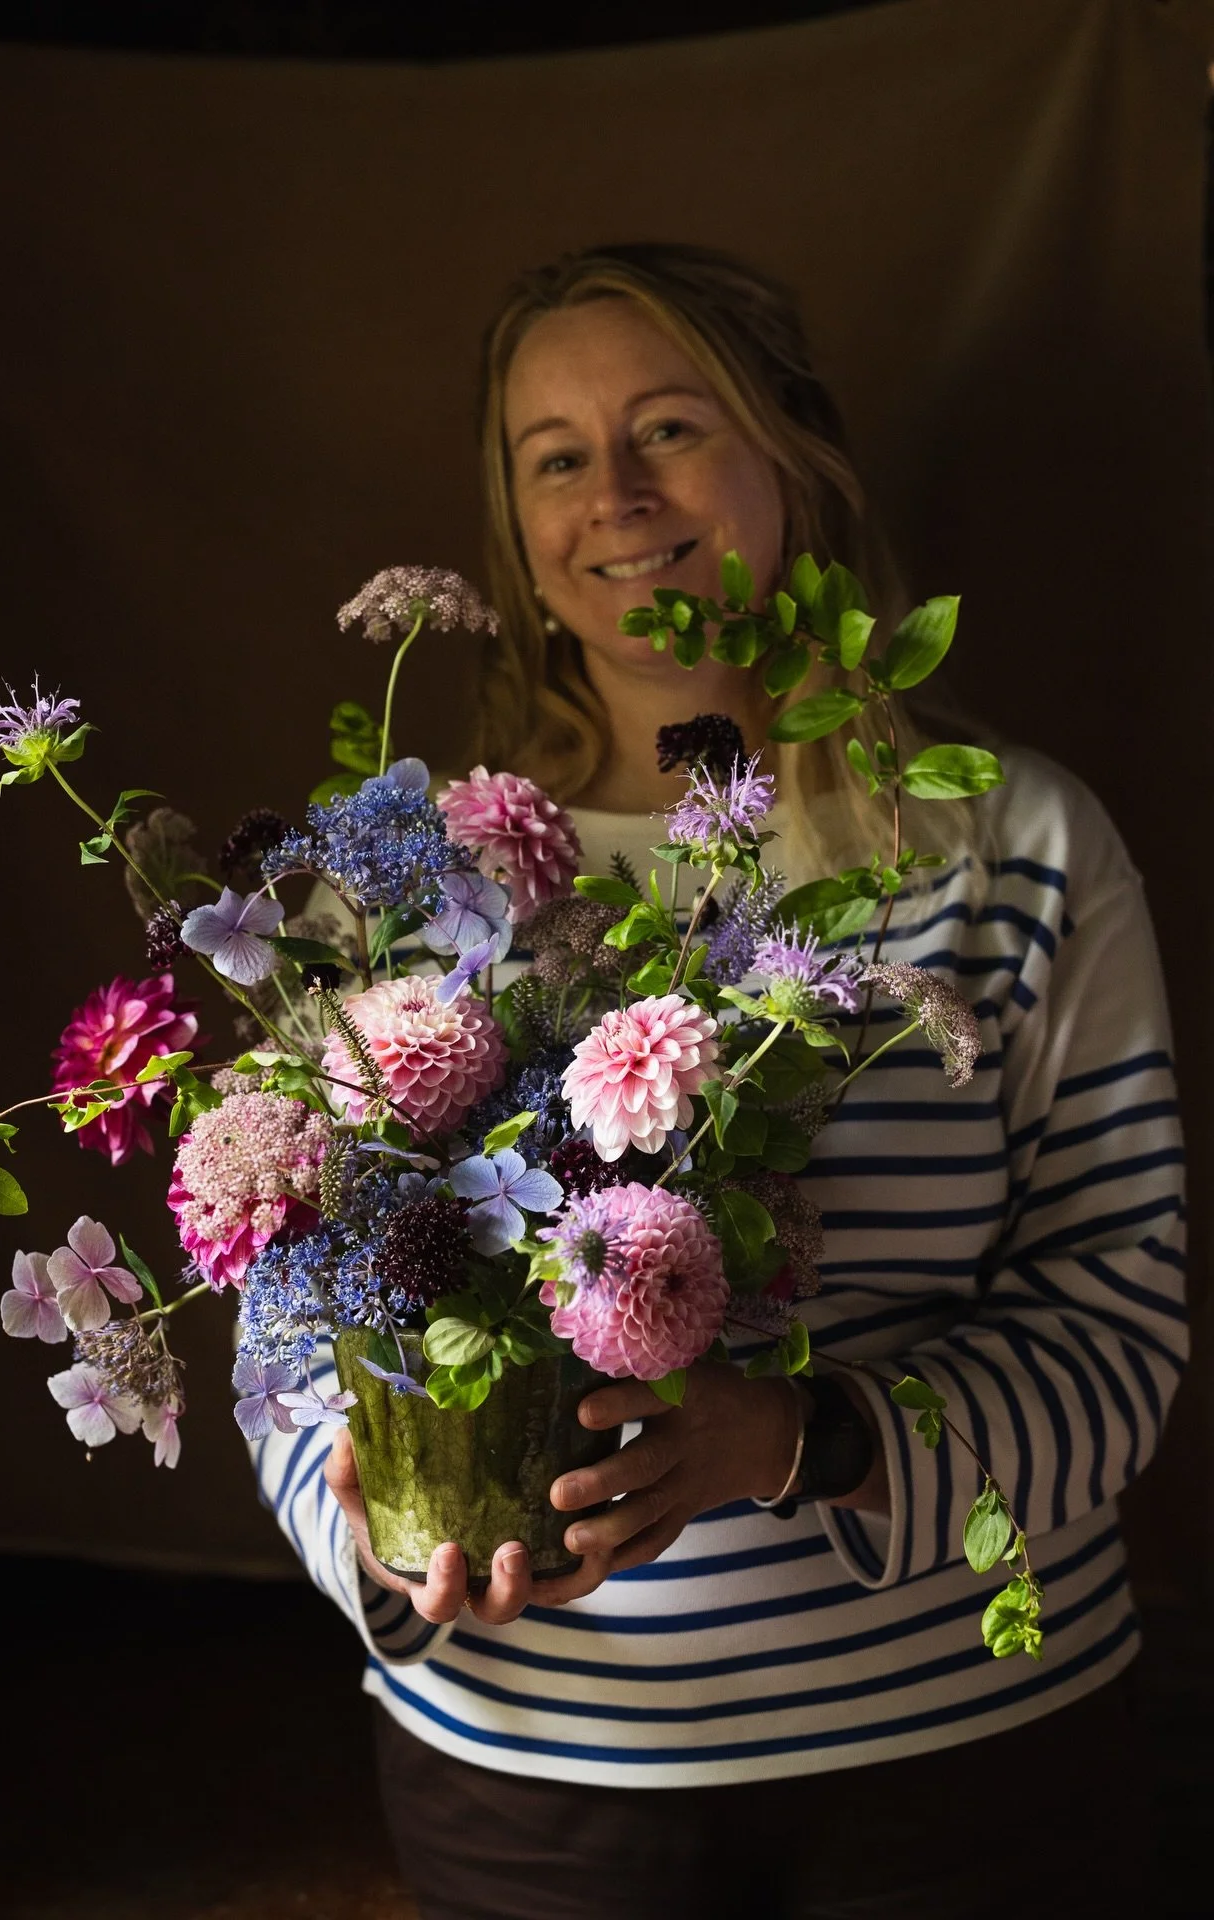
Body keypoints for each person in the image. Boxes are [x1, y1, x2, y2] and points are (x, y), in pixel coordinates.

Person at [249, 245, 1187, 1917]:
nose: (614, 493)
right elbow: (282, 1332)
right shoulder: (405, 883)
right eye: (554, 456)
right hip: (536, 1781)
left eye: (669, 427)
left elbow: (1121, 1317)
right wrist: (386, 1535)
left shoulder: (1018, 849)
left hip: (970, 1762)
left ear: (796, 468)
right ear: (520, 543)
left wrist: (793, 1441)